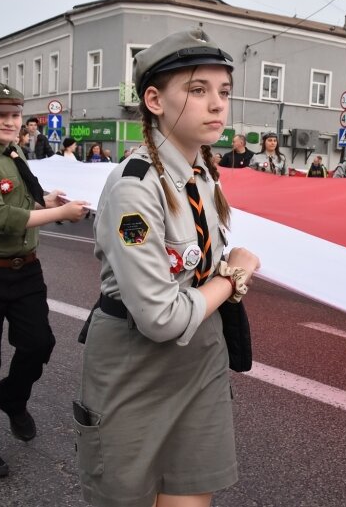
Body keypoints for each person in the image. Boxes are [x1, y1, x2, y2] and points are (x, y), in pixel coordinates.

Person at [76, 29, 260, 507]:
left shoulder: (203, 174)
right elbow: (159, 318)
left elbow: (194, 267)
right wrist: (233, 276)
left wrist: (220, 277)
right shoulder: (135, 190)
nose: (217, 105)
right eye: (198, 91)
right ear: (154, 100)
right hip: (136, 365)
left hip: (201, 358)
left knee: (191, 492)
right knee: (125, 497)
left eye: (224, 92)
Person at [0, 81, 89, 479]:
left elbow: (21, 202)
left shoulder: (11, 152)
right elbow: (0, 217)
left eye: (14, 115)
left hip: (23, 269)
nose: (10, 122)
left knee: (38, 342)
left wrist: (48, 202)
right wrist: (61, 215)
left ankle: (12, 397)